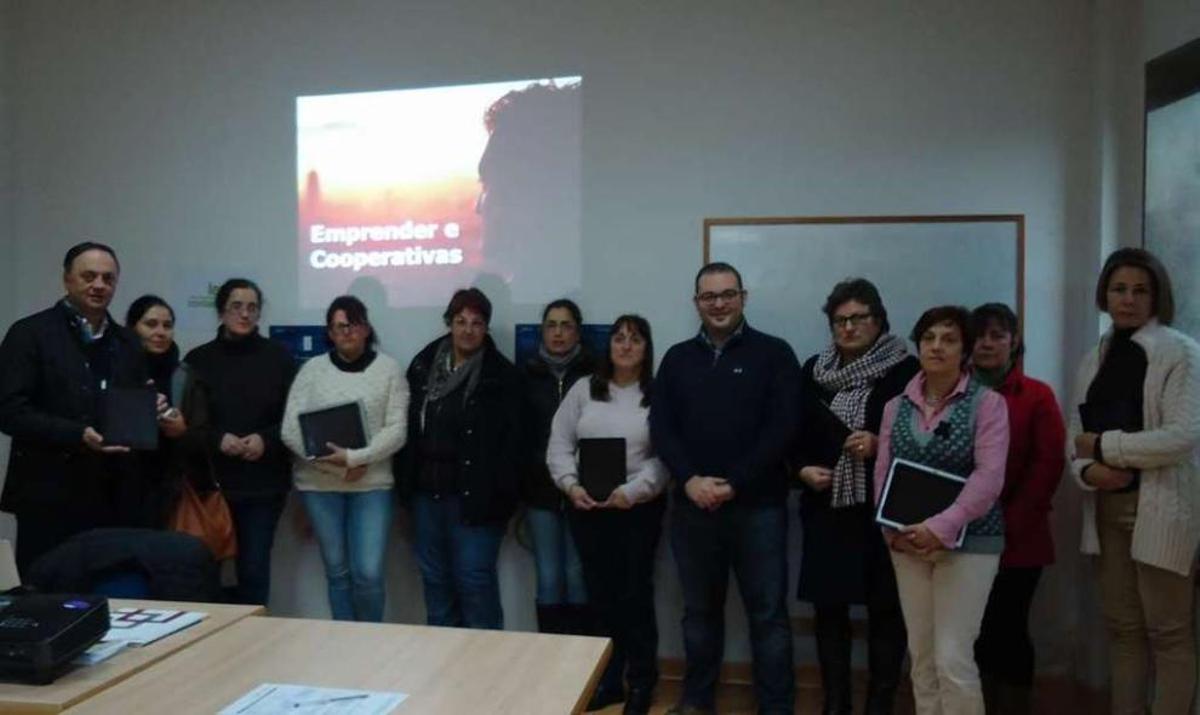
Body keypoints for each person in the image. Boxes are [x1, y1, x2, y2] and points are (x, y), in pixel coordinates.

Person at [651, 262, 799, 715]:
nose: (718, 303)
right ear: (696, 302)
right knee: (698, 615)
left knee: (769, 617)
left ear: (743, 297)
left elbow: (782, 430)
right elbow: (662, 427)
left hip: (759, 508)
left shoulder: (775, 354)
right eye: (709, 296)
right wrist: (690, 480)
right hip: (693, 509)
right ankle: (697, 702)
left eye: (727, 294)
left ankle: (776, 707)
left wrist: (734, 483)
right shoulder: (676, 359)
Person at [1069, 248, 1200, 715]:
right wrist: (1088, 470)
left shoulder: (1180, 350)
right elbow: (1074, 440)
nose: (1128, 299)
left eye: (1140, 290)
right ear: (1105, 294)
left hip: (1162, 511)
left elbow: (1181, 438)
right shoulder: (1095, 356)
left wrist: (1106, 449)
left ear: (1157, 296)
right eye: (1119, 289)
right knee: (1122, 631)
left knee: (1169, 633)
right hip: (1106, 511)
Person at [873, 305, 1009, 715]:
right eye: (929, 338)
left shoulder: (989, 404)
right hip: (906, 542)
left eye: (949, 340)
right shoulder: (896, 406)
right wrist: (890, 529)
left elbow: (989, 478)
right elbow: (883, 470)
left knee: (953, 658)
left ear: (965, 350)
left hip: (970, 543)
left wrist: (940, 527)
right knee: (922, 656)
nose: (937, 347)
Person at [794, 279, 918, 715]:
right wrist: (801, 470)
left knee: (887, 611)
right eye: (839, 320)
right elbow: (793, 433)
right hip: (826, 508)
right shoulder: (812, 370)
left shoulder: (907, 370)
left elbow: (924, 435)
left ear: (878, 321)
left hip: (884, 510)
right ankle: (835, 703)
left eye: (857, 318)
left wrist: (881, 443)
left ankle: (879, 703)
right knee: (830, 610)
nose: (848, 327)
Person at [0, 242, 149, 573]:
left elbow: (133, 403)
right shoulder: (30, 334)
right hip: (48, 493)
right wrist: (77, 434)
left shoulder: (127, 342)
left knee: (111, 595)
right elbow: (8, 410)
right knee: (47, 598)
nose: (99, 285)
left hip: (113, 494)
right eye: (89, 276)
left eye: (108, 279)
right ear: (67, 280)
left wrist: (155, 409)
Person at [548, 314, 668, 715]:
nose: (626, 345)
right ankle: (608, 681)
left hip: (637, 511)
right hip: (587, 508)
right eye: (619, 338)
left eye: (636, 339)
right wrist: (571, 485)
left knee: (634, 597)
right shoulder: (584, 390)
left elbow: (663, 459)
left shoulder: (658, 394)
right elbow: (560, 445)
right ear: (609, 346)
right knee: (600, 600)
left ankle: (641, 683)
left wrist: (632, 493)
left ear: (647, 348)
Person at [397, 287, 522, 629]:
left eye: (476, 323)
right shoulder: (424, 364)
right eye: (460, 321)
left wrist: (504, 499)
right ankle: (444, 672)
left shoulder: (501, 375)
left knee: (475, 585)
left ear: (486, 328)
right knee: (436, 586)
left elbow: (513, 446)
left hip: (477, 500)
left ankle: (487, 673)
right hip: (427, 497)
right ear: (449, 324)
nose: (468, 329)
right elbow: (407, 426)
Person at [281, 296, 408, 622]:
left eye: (353, 325)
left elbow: (397, 430)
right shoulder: (311, 370)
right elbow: (290, 430)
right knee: (337, 572)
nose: (346, 332)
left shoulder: (389, 370)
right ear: (330, 332)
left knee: (368, 573)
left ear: (366, 328)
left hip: (371, 486)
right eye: (339, 327)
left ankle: (371, 641)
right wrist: (334, 466)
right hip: (319, 487)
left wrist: (356, 458)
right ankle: (344, 642)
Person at [969, 303, 1066, 715]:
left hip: (1018, 538)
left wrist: (1006, 524)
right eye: (980, 336)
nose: (987, 343)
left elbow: (1048, 465)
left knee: (1008, 629)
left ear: (1013, 341)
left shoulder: (1037, 395)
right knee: (972, 632)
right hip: (963, 535)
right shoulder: (955, 390)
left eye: (997, 335)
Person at [184, 278, 295, 605]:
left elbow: (294, 418)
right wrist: (218, 439)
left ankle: (253, 644)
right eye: (236, 306)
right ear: (221, 311)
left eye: (252, 308)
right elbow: (185, 425)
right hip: (210, 486)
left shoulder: (279, 357)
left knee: (255, 571)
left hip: (263, 485)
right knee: (204, 571)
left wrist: (267, 439)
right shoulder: (197, 360)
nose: (245, 314)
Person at [521, 298, 593, 634]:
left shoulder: (597, 374)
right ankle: (550, 666)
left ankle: (582, 667)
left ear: (578, 332)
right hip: (540, 494)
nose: (559, 333)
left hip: (586, 492)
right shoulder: (525, 375)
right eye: (552, 325)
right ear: (542, 332)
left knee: (580, 577)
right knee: (549, 579)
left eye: (566, 325)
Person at [125, 294, 206, 530]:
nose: (160, 332)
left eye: (167, 326)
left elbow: (203, 436)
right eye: (150, 324)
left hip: (171, 487)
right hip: (120, 483)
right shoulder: (116, 372)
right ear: (132, 328)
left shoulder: (185, 376)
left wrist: (182, 431)